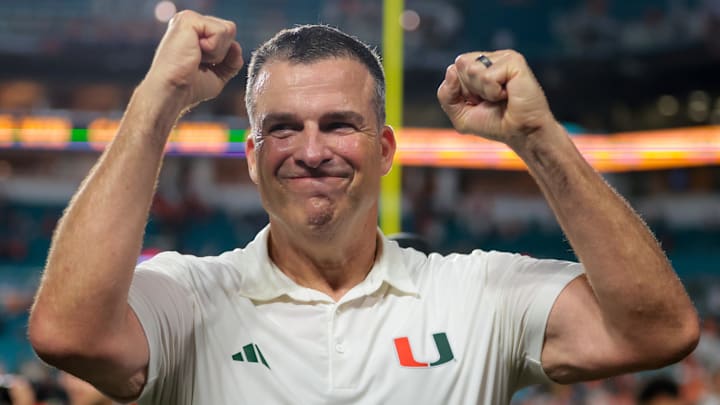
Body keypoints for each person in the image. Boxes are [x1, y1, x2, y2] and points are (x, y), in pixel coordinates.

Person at [28, 10, 699, 404]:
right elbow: (68, 331)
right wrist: (157, 100)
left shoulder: (475, 294)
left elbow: (656, 331)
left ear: (384, 149)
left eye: (340, 124)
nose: (311, 150)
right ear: (254, 155)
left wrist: (538, 139)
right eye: (284, 127)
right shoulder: (191, 294)